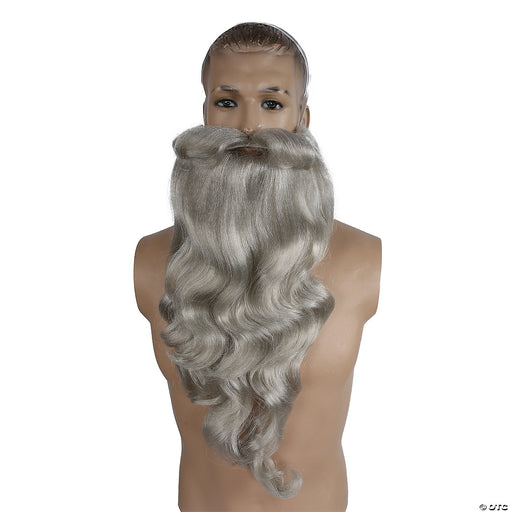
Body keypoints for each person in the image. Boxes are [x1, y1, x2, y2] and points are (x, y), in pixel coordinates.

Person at [133, 22, 382, 512]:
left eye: (271, 104)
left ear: (301, 118)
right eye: (227, 102)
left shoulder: (364, 258)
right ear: (204, 114)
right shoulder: (149, 259)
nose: (247, 126)